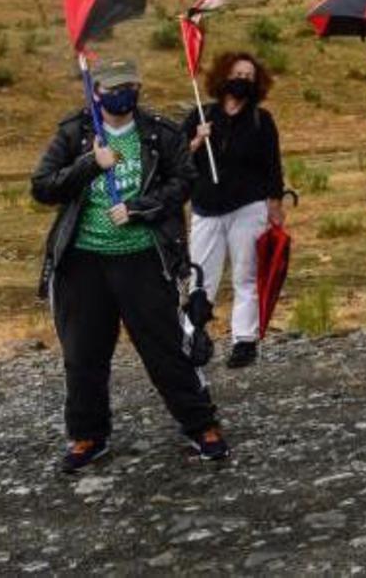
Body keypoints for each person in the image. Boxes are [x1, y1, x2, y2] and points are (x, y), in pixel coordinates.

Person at [32, 57, 227, 469]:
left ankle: (200, 424)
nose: (123, 93)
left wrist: (142, 208)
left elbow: (184, 180)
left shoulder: (160, 132)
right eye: (114, 87)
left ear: (138, 86)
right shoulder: (74, 133)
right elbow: (43, 186)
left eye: (130, 85)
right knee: (83, 353)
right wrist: (89, 165)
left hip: (143, 259)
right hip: (83, 263)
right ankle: (87, 436)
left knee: (165, 349)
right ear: (97, 91)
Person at [182, 51, 286, 368]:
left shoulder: (261, 120)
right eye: (237, 74)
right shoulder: (201, 114)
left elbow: (273, 166)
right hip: (205, 206)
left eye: (249, 77)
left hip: (248, 207)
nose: (242, 80)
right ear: (224, 76)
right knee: (200, 275)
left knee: (246, 273)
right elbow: (177, 159)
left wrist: (275, 205)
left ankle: (244, 340)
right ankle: (192, 336)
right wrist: (197, 141)